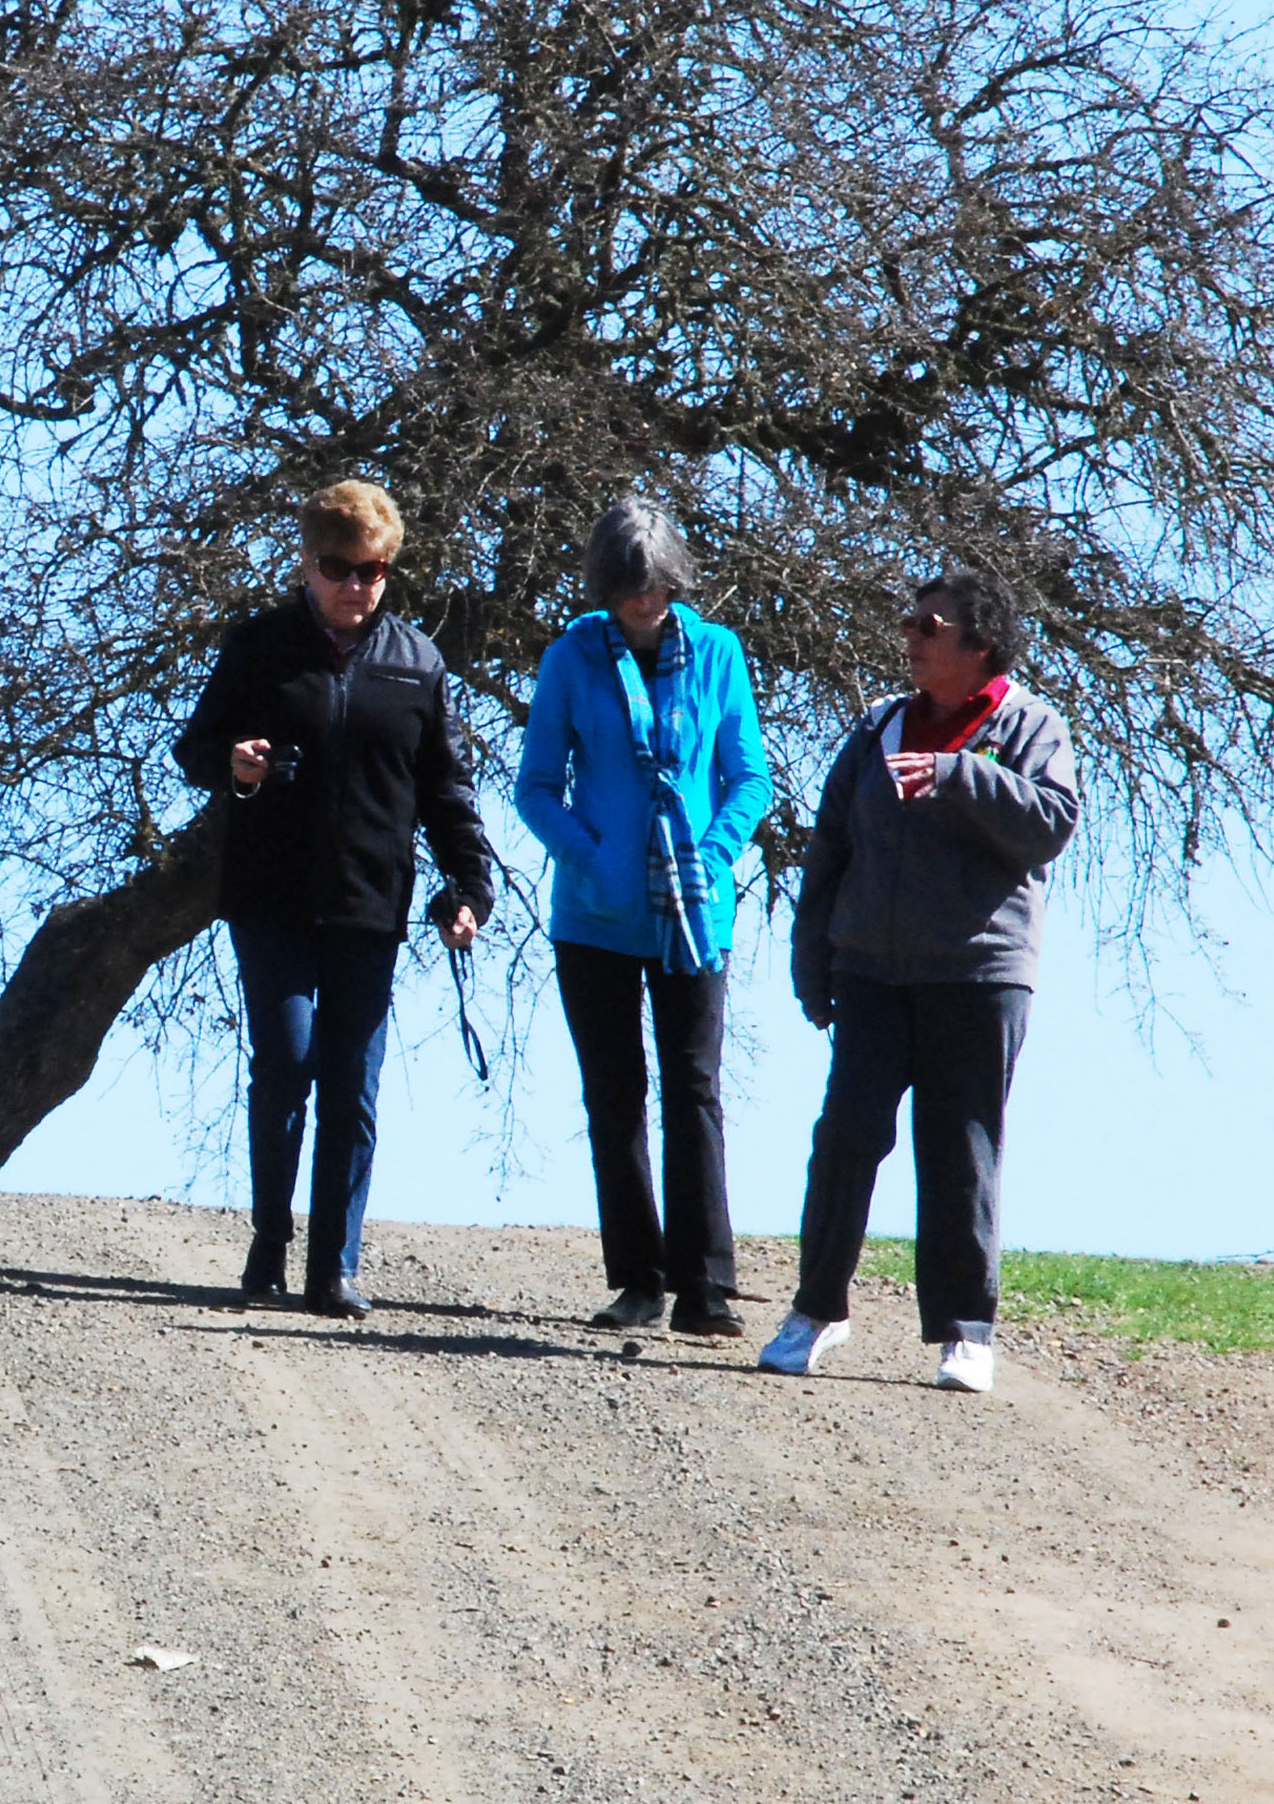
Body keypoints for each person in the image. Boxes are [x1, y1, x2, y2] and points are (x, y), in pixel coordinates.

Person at [174, 479, 493, 1319]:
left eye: (372, 570)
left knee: (353, 1085)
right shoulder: (259, 648)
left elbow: (447, 790)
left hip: (370, 907)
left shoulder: (417, 663)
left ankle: (333, 1267)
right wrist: (233, 764)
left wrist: (470, 887)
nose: (355, 585)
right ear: (307, 565)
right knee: (286, 1065)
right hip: (270, 899)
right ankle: (269, 1240)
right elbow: (195, 748)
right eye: (338, 568)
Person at [763, 569, 1081, 1394]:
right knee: (845, 1139)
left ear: (980, 645)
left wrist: (958, 776)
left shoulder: (1031, 726)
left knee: (960, 1153)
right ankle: (815, 1312)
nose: (909, 635)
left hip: (979, 977)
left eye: (928, 626)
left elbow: (1051, 824)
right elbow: (830, 847)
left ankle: (965, 1332)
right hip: (872, 971)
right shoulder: (877, 727)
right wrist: (813, 958)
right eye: (909, 621)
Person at [514, 501, 773, 1340]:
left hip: (694, 916)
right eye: (630, 589)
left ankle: (706, 1285)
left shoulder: (719, 654)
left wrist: (712, 855)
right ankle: (637, 1280)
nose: (645, 602)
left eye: (658, 587)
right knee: (615, 1094)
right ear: (605, 587)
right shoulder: (571, 657)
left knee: (693, 1089)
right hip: (593, 918)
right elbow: (535, 788)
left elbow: (750, 779)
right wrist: (590, 859)